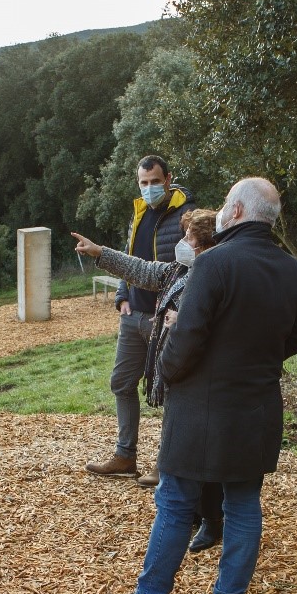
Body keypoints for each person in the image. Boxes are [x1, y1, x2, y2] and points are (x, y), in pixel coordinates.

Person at [104, 177, 297, 594]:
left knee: (176, 500)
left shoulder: (214, 264)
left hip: (200, 406)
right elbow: (296, 337)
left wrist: (170, 374)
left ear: (235, 212)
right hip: (257, 407)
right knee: (243, 504)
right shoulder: (293, 270)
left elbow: (186, 340)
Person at [72, 208, 225, 550]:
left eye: (189, 238)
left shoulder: (211, 277)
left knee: (193, 448)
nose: (182, 243)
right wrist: (101, 253)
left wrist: (179, 319)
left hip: (196, 376)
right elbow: (141, 269)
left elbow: (212, 323)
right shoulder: (178, 272)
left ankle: (205, 519)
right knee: (188, 446)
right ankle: (200, 516)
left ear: (206, 246)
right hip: (177, 371)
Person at [84, 155, 195, 486]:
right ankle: (125, 456)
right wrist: (121, 297)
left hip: (166, 317)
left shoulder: (186, 215)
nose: (149, 189)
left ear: (168, 178)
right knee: (121, 382)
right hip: (133, 314)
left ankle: (166, 462)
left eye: (154, 182)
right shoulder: (139, 213)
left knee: (169, 389)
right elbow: (131, 259)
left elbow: (191, 264)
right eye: (143, 183)